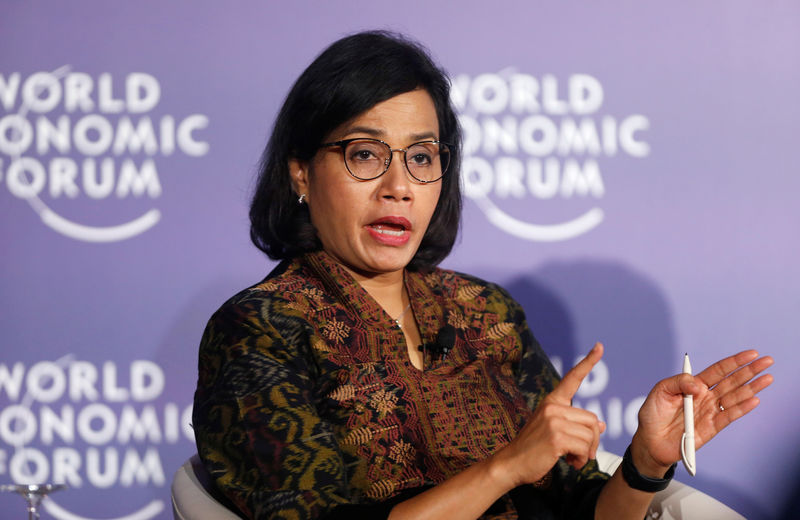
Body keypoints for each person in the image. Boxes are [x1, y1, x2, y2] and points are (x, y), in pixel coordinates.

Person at [192, 31, 773, 519]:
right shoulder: (258, 329)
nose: (399, 185)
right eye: (365, 154)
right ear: (300, 173)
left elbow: (585, 511)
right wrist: (507, 466)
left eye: (421, 157)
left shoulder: (484, 312)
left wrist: (647, 460)